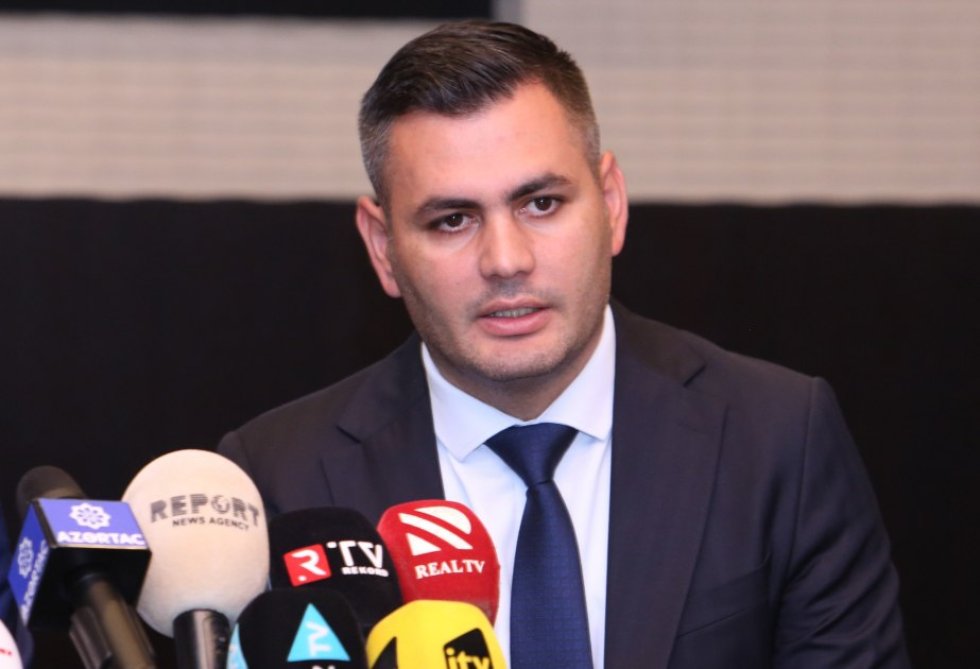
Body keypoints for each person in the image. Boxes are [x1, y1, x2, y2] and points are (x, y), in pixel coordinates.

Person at [218, 20, 909, 668]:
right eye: (453, 219)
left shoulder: (778, 437)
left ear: (611, 203)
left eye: (541, 204)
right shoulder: (278, 479)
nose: (506, 260)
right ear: (382, 248)